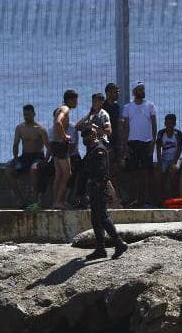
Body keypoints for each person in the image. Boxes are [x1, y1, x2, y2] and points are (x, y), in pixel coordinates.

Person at [82, 126, 128, 260]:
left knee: (102, 216)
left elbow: (101, 171)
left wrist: (97, 184)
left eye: (86, 136)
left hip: (100, 187)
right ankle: (100, 248)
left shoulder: (99, 149)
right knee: (95, 218)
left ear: (93, 135)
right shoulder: (91, 149)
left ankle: (119, 243)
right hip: (94, 187)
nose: (84, 139)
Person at [120, 82, 157, 207]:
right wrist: (124, 144)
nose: (142, 91)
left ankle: (146, 199)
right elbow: (125, 127)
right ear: (135, 92)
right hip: (132, 143)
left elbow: (154, 124)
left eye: (143, 89)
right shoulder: (127, 107)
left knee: (146, 172)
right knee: (133, 172)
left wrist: (153, 142)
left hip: (146, 142)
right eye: (140, 89)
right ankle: (133, 199)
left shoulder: (150, 105)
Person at [11, 104, 48, 209]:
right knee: (8, 170)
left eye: (28, 114)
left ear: (34, 114)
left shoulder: (40, 129)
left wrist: (45, 160)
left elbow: (48, 147)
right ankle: (20, 199)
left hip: (37, 157)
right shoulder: (20, 128)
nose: (26, 117)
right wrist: (16, 159)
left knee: (34, 169)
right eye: (24, 114)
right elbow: (15, 145)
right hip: (25, 156)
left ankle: (36, 200)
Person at [50, 90, 78, 209]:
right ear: (70, 100)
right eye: (75, 100)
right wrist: (65, 136)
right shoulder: (65, 109)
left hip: (55, 144)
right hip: (61, 145)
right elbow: (58, 122)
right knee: (67, 174)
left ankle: (55, 201)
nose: (77, 102)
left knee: (59, 174)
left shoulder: (59, 109)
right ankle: (58, 201)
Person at [155, 113, 182, 201]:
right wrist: (159, 162)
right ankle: (160, 197)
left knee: (173, 170)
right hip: (164, 159)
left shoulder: (178, 133)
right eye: (167, 123)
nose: (169, 126)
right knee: (159, 174)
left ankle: (174, 195)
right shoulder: (161, 133)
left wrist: (174, 162)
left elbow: (179, 148)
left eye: (171, 123)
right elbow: (158, 148)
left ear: (174, 124)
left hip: (176, 158)